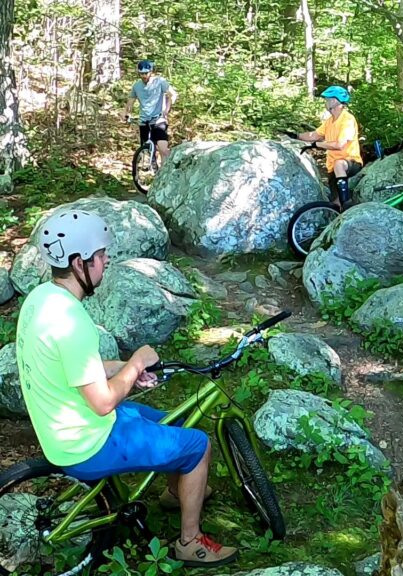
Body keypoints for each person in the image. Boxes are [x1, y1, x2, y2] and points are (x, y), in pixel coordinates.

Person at [15, 209, 237, 568]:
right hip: (88, 442)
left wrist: (125, 371)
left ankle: (175, 492)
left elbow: (73, 368)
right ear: (79, 263)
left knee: (176, 423)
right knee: (198, 445)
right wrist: (134, 364)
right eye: (101, 255)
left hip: (60, 428)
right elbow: (103, 403)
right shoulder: (71, 322)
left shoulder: (40, 300)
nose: (106, 261)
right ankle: (189, 542)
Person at [295, 86, 363, 206]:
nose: (326, 102)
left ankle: (346, 202)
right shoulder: (330, 121)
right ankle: (341, 209)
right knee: (336, 206)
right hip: (333, 168)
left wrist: (317, 145)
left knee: (339, 164)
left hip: (350, 163)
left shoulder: (347, 120)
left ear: (335, 101)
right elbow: (314, 135)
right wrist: (296, 136)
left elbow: (340, 144)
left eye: (328, 99)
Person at [123, 60, 178, 163]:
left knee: (162, 148)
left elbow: (172, 95)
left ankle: (168, 167)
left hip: (158, 119)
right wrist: (127, 113)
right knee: (147, 149)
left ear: (151, 72)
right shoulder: (136, 86)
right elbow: (130, 101)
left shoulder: (160, 82)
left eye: (146, 73)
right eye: (141, 73)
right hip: (144, 120)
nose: (144, 76)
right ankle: (153, 166)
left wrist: (166, 110)